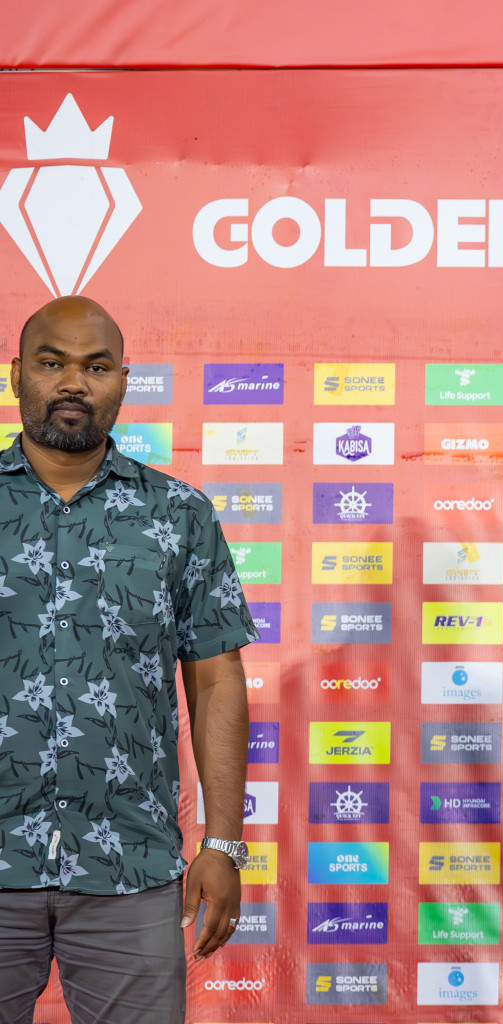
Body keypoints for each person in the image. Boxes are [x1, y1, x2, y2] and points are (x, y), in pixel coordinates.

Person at [0, 296, 256, 1024]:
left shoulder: (179, 515)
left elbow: (215, 680)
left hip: (129, 868)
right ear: (18, 375)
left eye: (96, 366)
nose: (73, 382)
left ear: (123, 381)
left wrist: (225, 844)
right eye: (52, 363)